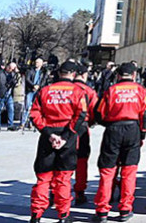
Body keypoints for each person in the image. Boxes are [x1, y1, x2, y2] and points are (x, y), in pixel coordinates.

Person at [28, 61, 87, 223]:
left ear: (59, 73)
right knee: (63, 178)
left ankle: (36, 215)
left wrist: (48, 134)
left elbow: (34, 114)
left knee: (43, 178)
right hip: (67, 139)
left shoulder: (45, 91)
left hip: (47, 137)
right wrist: (66, 137)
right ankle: (63, 215)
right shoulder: (78, 92)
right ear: (74, 74)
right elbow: (81, 115)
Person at [94, 62, 146, 223]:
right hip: (132, 130)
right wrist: (142, 135)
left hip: (113, 130)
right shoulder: (141, 91)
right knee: (129, 171)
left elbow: (99, 113)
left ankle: (102, 210)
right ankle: (125, 209)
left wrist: (110, 124)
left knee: (107, 171)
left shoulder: (111, 90)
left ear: (118, 76)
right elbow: (145, 115)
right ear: (134, 76)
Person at [74, 63, 99, 205]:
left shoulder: (59, 89)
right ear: (84, 75)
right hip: (82, 128)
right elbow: (95, 110)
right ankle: (79, 192)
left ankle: (55, 192)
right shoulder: (88, 91)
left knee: (59, 163)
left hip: (59, 128)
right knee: (81, 160)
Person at [0, 61, 19, 132]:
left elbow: (16, 82)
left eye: (13, 69)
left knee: (11, 109)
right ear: (7, 67)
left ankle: (10, 124)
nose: (11, 70)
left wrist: (16, 73)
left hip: (9, 94)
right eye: (10, 68)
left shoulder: (13, 74)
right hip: (0, 94)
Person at [22, 57, 48, 129]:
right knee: (27, 106)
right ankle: (23, 122)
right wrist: (33, 86)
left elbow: (44, 80)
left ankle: (32, 122)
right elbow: (27, 79)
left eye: (38, 62)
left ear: (41, 64)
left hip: (38, 91)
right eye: (36, 62)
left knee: (36, 107)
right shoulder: (30, 70)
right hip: (30, 90)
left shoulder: (43, 72)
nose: (36, 64)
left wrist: (39, 86)